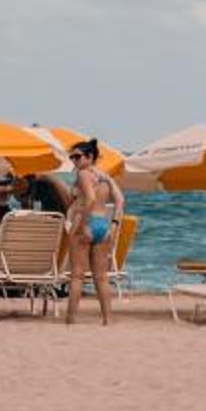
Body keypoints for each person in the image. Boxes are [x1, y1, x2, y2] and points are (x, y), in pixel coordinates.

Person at [62, 139, 123, 325]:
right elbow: (120, 200)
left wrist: (83, 225)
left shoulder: (83, 174)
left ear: (90, 157)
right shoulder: (105, 177)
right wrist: (114, 225)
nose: (74, 160)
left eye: (77, 157)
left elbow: (89, 199)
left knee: (77, 276)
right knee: (101, 277)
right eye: (71, 157)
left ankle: (70, 319)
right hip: (103, 224)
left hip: (85, 222)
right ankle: (107, 319)